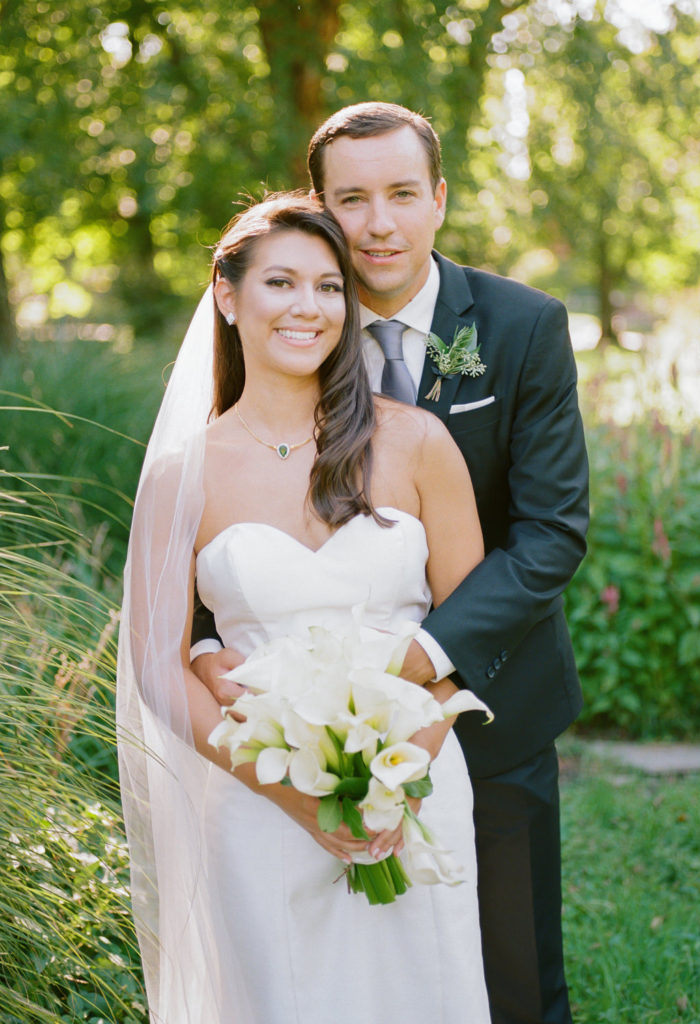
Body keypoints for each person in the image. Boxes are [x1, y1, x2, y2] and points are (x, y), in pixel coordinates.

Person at [191, 104, 589, 1024]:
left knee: (513, 974)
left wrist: (416, 668)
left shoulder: (520, 326)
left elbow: (551, 533)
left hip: (490, 694)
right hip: (290, 729)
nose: (379, 223)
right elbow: (221, 523)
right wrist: (215, 650)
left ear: (437, 199)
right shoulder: (289, 324)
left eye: (402, 194)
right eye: (353, 199)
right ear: (322, 207)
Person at [118, 192, 492, 1023]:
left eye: (329, 288)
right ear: (227, 295)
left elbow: (470, 631)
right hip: (253, 799)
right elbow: (154, 660)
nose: (308, 308)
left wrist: (395, 777)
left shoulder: (417, 442)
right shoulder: (185, 472)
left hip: (416, 786)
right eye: (281, 283)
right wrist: (291, 792)